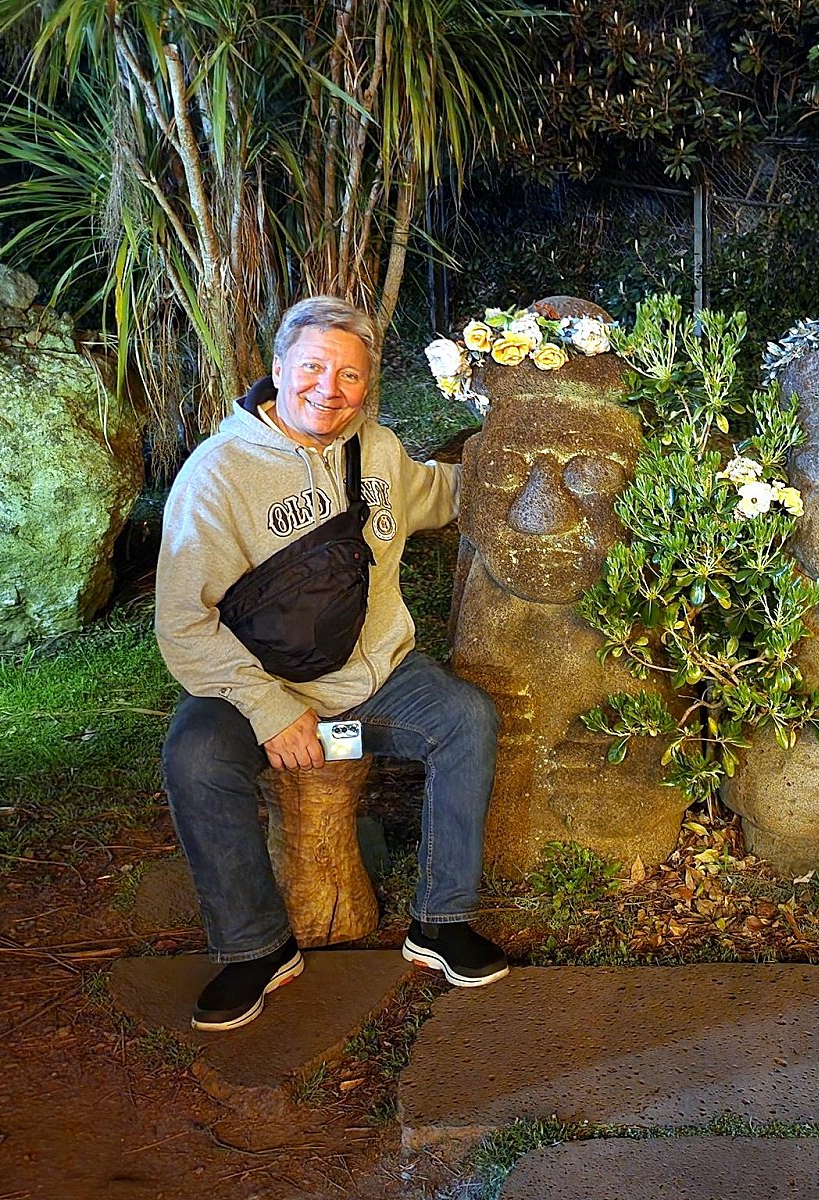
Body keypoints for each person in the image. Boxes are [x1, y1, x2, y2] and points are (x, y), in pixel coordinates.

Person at [156, 295, 505, 1032]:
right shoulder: (217, 475)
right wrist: (272, 713)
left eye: (350, 374)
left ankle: (442, 922)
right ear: (280, 367)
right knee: (196, 756)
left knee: (466, 719)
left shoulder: (375, 450)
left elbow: (439, 494)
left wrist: (510, 462)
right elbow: (184, 624)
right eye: (313, 367)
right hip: (258, 685)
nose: (329, 389)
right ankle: (256, 947)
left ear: (367, 382)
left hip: (373, 681)